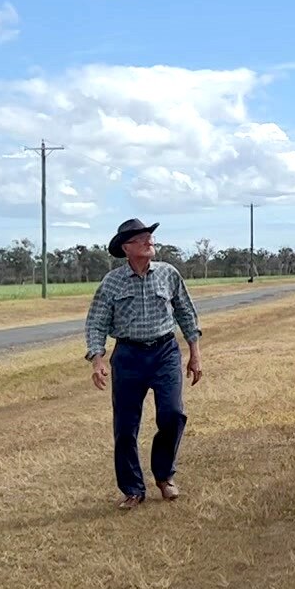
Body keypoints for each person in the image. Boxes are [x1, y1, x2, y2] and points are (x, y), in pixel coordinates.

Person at [85, 217, 203, 509]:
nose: (149, 241)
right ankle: (133, 489)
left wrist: (195, 353)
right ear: (126, 248)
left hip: (165, 352)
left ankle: (164, 476)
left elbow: (186, 313)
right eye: (141, 238)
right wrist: (98, 359)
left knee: (173, 414)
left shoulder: (168, 274)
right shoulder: (111, 282)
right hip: (128, 356)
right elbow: (96, 322)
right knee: (125, 427)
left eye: (149, 236)